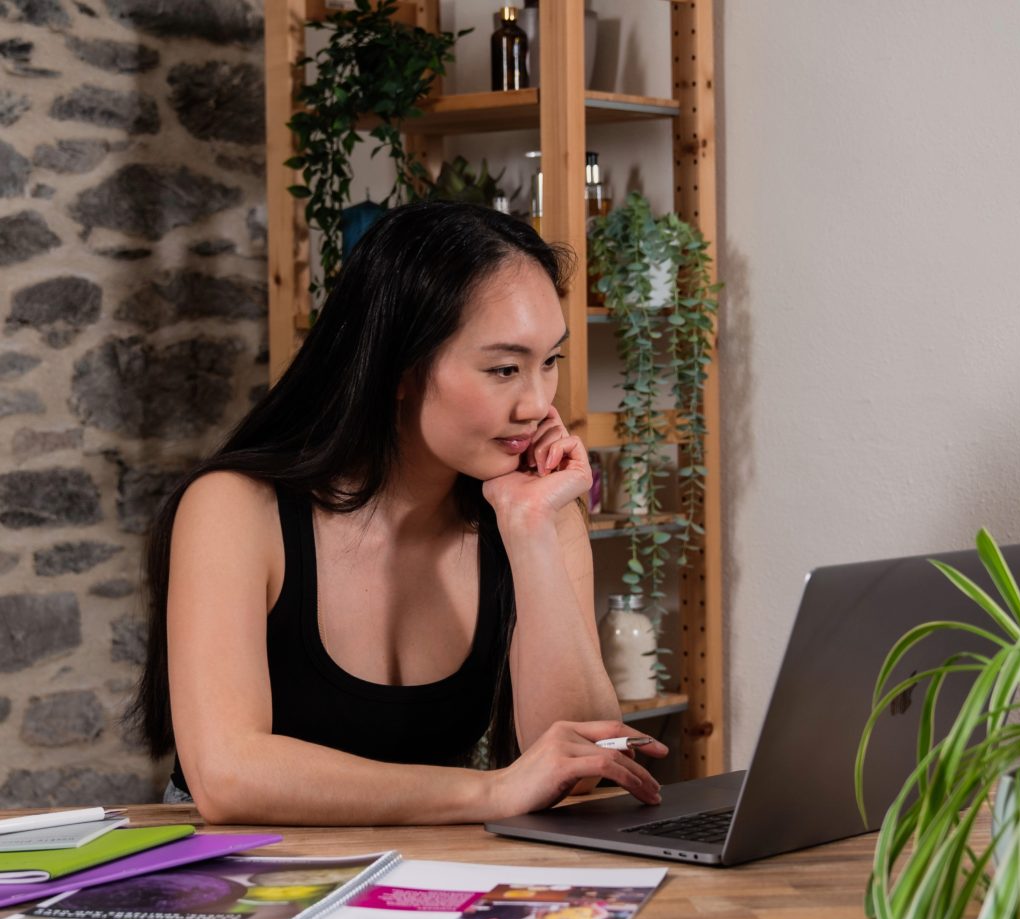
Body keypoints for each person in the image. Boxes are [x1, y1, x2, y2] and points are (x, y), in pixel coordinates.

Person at [128, 201, 667, 825]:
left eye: (549, 362)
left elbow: (581, 760)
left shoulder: (534, 508)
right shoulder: (236, 508)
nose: (537, 403)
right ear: (400, 370)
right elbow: (227, 776)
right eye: (504, 369)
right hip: (247, 878)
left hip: (425, 871)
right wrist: (491, 792)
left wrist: (531, 531)